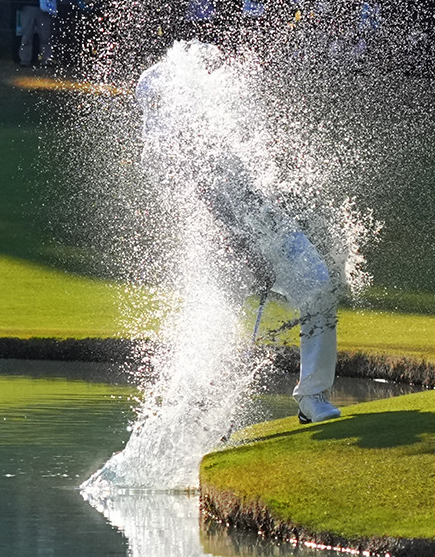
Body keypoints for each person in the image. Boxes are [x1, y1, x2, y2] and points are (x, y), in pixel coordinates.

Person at [135, 46, 343, 424]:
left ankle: (313, 396)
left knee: (319, 287)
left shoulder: (214, 120)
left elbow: (254, 181)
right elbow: (210, 210)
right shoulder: (172, 147)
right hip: (224, 250)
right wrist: (247, 251)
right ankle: (193, 411)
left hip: (271, 227)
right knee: (212, 323)